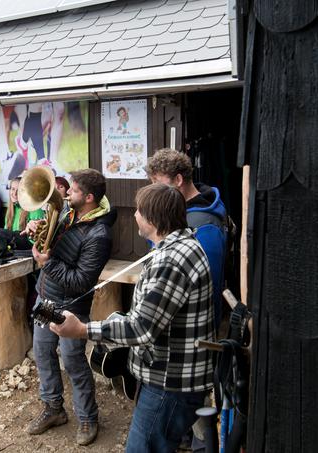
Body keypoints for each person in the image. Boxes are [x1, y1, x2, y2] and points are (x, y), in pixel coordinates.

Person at [50, 183, 215, 453]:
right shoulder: (182, 244)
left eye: (139, 210)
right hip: (172, 379)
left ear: (153, 219)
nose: (135, 215)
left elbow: (141, 328)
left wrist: (81, 329)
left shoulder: (170, 261)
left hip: (168, 384)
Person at [24, 169, 116, 446]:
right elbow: (51, 240)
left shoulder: (99, 235)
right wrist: (35, 230)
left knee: (73, 361)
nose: (66, 193)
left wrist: (47, 263)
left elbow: (80, 282)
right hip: (46, 298)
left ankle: (88, 418)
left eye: (73, 190)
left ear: (88, 197)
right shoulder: (68, 212)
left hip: (70, 307)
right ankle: (54, 409)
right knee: (42, 352)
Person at [145, 148, 228, 329]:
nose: (153, 189)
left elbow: (209, 287)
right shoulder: (179, 212)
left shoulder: (205, 226)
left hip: (190, 327)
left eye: (157, 182)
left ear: (179, 180)